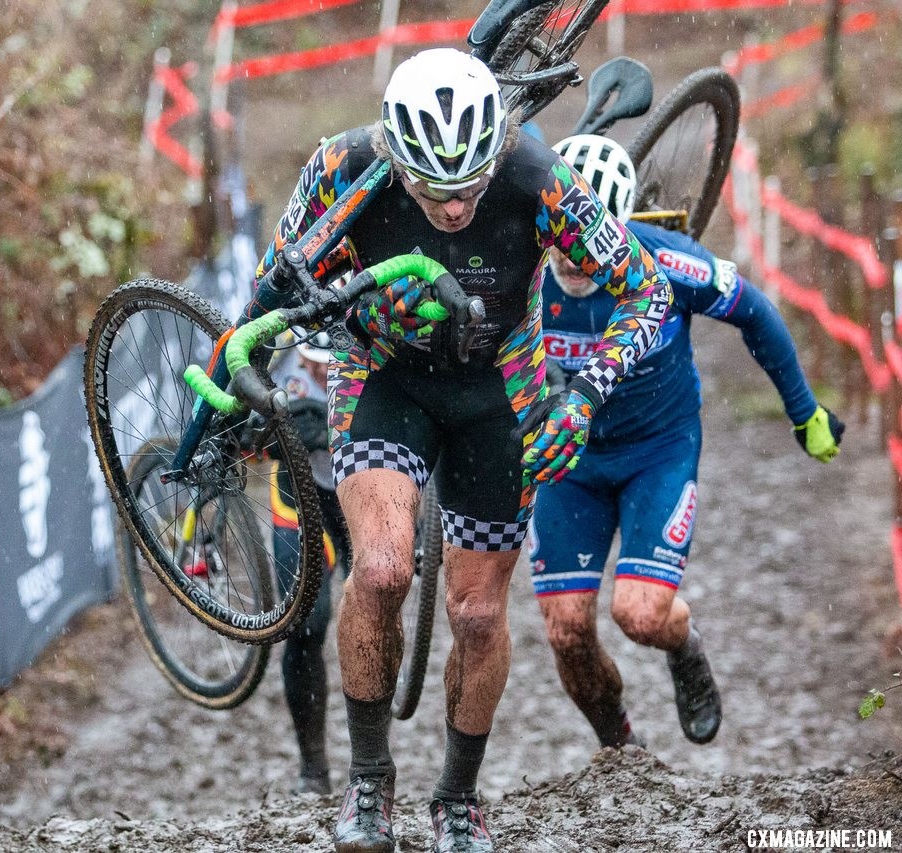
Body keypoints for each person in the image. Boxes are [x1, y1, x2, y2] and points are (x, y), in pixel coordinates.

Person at [254, 48, 671, 853]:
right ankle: (369, 785)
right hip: (384, 378)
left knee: (477, 613)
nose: (454, 207)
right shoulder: (343, 165)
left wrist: (583, 394)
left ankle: (457, 798)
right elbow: (276, 282)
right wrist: (312, 315)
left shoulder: (534, 173)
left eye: (470, 187)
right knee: (380, 568)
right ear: (397, 160)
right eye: (433, 190)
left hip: (500, 392)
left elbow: (644, 287)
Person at [529, 134, 844, 751]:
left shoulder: (667, 262)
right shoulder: (522, 273)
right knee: (567, 632)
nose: (570, 259)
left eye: (585, 243)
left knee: (640, 615)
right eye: (557, 239)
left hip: (658, 450)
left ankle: (685, 646)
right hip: (570, 462)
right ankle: (620, 752)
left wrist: (804, 413)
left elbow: (755, 312)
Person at [267, 330, 349, 796]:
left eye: (328, 361)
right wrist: (275, 435)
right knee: (306, 625)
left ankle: (370, 767)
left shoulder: (371, 342)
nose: (319, 371)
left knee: (374, 607)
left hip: (363, 490)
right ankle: (313, 768)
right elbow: (240, 431)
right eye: (309, 360)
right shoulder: (277, 358)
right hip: (300, 496)